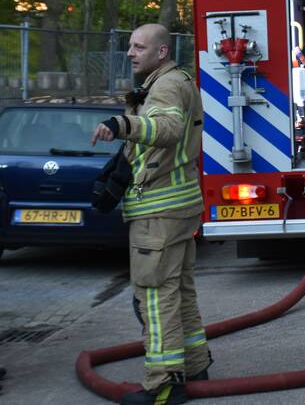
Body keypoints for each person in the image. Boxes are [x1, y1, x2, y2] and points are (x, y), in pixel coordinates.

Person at [91, 24, 210, 405]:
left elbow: (169, 129)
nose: (130, 52)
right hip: (177, 208)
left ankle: (163, 385)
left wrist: (121, 125)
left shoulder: (166, 86)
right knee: (180, 291)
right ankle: (194, 366)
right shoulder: (170, 81)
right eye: (129, 46)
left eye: (139, 46)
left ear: (162, 51)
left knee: (154, 298)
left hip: (159, 212)